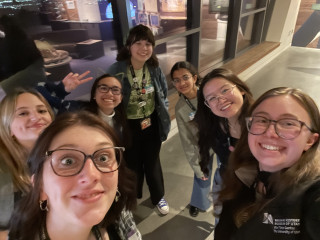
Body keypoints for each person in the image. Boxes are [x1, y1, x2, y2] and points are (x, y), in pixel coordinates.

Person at [9, 111, 140, 240]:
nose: (91, 176)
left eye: (103, 158)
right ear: (40, 186)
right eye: (68, 161)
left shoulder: (122, 220)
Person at [215, 87, 320, 239]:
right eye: (262, 120)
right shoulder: (242, 174)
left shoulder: (313, 196)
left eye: (288, 123)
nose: (270, 132)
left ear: (310, 140)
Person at [107, 24, 171, 215]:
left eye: (148, 44)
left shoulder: (154, 68)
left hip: (151, 122)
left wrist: (163, 115)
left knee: (152, 162)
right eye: (139, 43)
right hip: (127, 125)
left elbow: (163, 94)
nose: (144, 48)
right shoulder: (116, 70)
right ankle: (131, 198)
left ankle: (158, 197)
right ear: (129, 46)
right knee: (131, 163)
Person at [194, 68, 254, 221]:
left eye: (225, 90)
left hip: (257, 192)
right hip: (226, 183)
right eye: (212, 98)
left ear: (241, 89)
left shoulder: (261, 124)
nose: (220, 99)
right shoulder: (214, 125)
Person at [0, 89, 54, 239]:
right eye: (23, 113)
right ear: (7, 126)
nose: (37, 117)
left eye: (42, 111)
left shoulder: (62, 157)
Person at [170, 61, 212, 217]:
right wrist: (196, 166)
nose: (181, 83)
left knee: (226, 174)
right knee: (201, 173)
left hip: (222, 141)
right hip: (203, 146)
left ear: (195, 78)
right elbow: (187, 141)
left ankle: (226, 201)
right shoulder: (180, 108)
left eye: (185, 77)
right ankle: (198, 202)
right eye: (176, 80)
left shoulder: (208, 93)